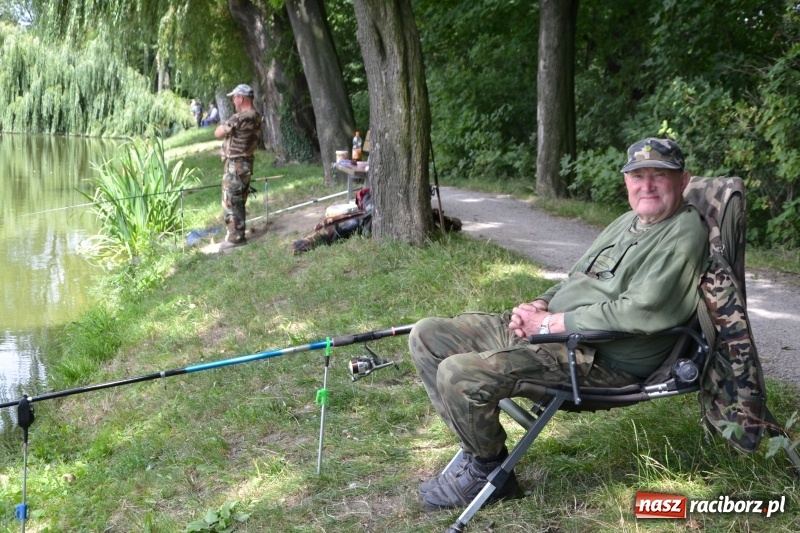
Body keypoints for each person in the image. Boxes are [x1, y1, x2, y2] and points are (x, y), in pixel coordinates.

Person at [408, 137, 709, 510]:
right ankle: (480, 453)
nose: (646, 185)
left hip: (599, 358)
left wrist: (549, 324)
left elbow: (640, 313)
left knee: (460, 374)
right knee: (427, 335)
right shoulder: (627, 221)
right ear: (626, 182)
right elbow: (577, 277)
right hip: (560, 334)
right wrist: (539, 304)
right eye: (638, 176)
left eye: (659, 176)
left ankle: (486, 473)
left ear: (683, 181)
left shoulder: (683, 232)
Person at [214, 84, 263, 250]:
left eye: (234, 97)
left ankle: (236, 238)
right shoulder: (256, 115)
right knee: (239, 199)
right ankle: (237, 233)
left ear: (241, 98)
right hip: (246, 163)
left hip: (236, 165)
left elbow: (218, 132)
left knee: (231, 200)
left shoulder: (240, 117)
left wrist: (224, 127)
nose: (234, 101)